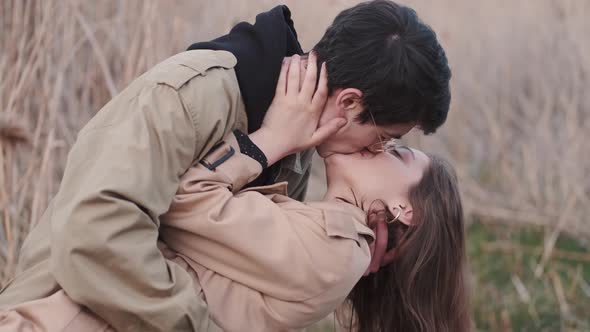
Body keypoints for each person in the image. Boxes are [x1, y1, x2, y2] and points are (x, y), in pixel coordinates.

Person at [0, 1, 452, 331]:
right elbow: (95, 237)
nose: (376, 151)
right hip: (52, 314)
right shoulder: (194, 95)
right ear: (350, 103)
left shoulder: (296, 148)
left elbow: (233, 274)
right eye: (385, 140)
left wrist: (345, 244)